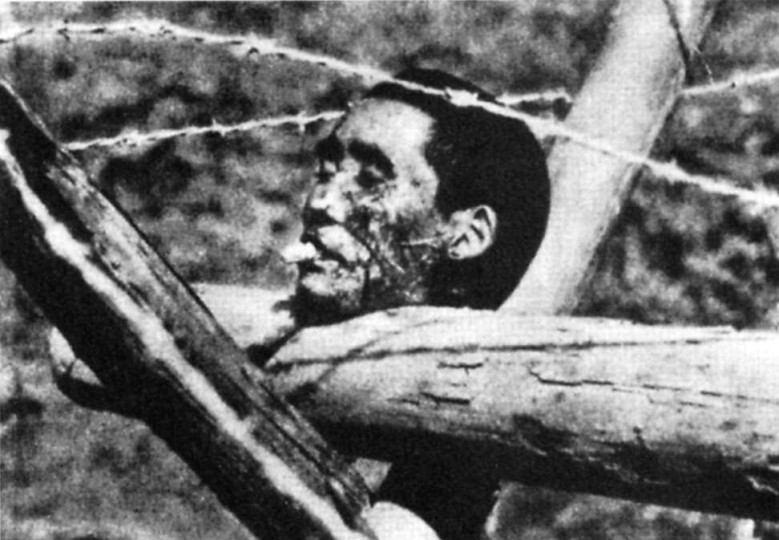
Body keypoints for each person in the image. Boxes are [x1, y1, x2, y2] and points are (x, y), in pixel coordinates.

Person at [51, 68, 551, 540]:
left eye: (371, 179)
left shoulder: (452, 465)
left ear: (466, 236)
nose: (320, 202)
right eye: (327, 169)